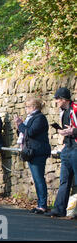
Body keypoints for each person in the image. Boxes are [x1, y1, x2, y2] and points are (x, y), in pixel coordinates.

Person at [14, 98, 51, 214]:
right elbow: (23, 133)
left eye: (27, 107)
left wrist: (20, 125)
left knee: (39, 178)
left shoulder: (39, 118)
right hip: (32, 151)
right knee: (36, 179)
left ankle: (42, 205)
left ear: (34, 107)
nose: (26, 109)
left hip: (38, 152)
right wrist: (19, 126)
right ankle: (40, 203)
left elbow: (30, 132)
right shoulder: (31, 118)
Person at [45, 88, 77, 217]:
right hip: (67, 148)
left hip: (75, 148)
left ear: (64, 99)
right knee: (64, 180)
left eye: (57, 99)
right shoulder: (63, 112)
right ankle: (59, 209)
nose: (56, 101)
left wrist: (72, 132)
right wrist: (62, 132)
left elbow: (73, 130)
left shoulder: (75, 109)